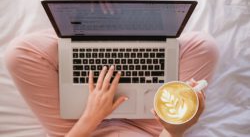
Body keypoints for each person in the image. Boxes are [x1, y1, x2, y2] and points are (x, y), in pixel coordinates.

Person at [4, 29, 219, 137]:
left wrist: (91, 116)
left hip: (80, 128)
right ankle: (129, 35)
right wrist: (173, 130)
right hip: (150, 131)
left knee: (19, 54)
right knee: (205, 47)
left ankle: (86, 34)